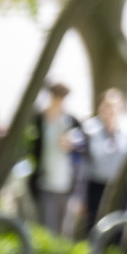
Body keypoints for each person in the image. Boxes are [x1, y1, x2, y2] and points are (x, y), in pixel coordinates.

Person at [30, 81, 83, 236]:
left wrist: (73, 144)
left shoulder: (71, 121)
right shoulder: (39, 120)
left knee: (63, 229)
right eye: (57, 97)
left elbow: (83, 145)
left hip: (66, 183)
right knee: (46, 227)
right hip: (44, 181)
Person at [80, 88, 127, 235]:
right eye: (108, 105)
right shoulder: (90, 129)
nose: (111, 110)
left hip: (120, 186)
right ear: (101, 107)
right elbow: (83, 164)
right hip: (96, 185)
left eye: (115, 105)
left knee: (118, 227)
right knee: (95, 225)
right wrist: (81, 195)